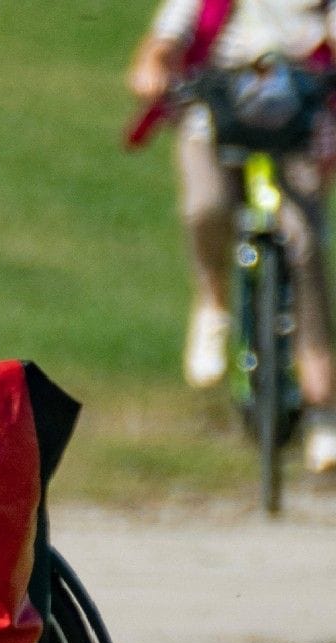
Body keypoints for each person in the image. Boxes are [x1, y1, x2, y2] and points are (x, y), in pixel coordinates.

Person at [129, 0, 336, 472]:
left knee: (304, 246)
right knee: (206, 207)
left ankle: (323, 407)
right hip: (215, 118)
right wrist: (153, 67)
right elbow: (168, 36)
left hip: (298, 122)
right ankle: (213, 302)